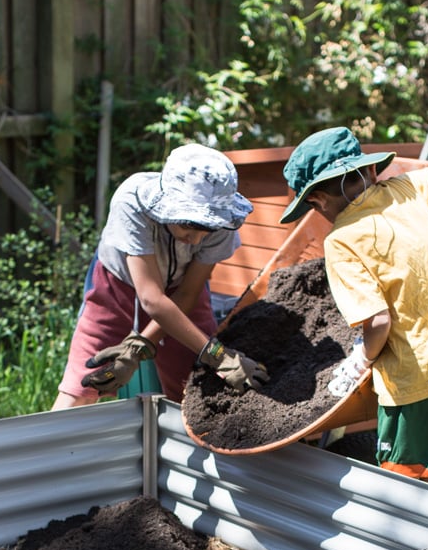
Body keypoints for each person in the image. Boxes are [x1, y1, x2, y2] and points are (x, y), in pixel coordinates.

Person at [279, 126, 428, 486]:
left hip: (418, 381)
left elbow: (377, 321)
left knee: (409, 490)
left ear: (317, 201)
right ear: (372, 171)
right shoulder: (404, 189)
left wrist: (359, 361)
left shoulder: (342, 240)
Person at [51, 144, 268, 409]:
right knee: (83, 385)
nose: (196, 238)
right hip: (117, 288)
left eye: (207, 229)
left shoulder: (223, 222)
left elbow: (187, 294)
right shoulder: (132, 202)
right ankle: (44, 450)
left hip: (181, 293)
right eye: (189, 224)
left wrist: (137, 349)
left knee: (197, 387)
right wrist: (219, 355)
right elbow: (152, 298)